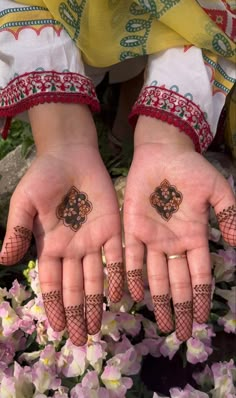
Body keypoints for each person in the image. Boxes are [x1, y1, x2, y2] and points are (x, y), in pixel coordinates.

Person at [0, 0, 235, 347]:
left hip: (167, 30)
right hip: (70, 16)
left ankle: (125, 127)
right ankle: (119, 125)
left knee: (130, 76)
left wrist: (167, 131)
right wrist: (60, 132)